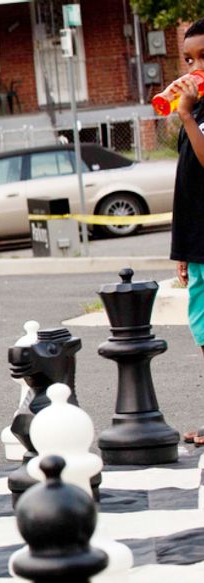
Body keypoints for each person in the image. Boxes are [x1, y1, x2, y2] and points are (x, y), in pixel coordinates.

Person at [170, 17, 204, 446]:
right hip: (197, 242)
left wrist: (185, 115)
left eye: (203, 57)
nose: (195, 66)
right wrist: (182, 247)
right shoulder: (196, 110)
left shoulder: (194, 114)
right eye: (189, 58)